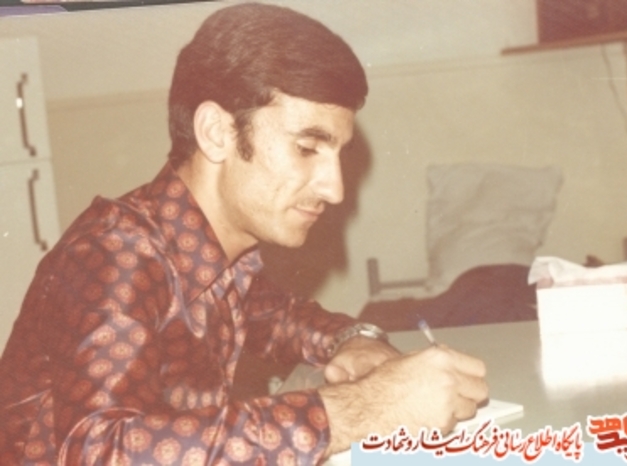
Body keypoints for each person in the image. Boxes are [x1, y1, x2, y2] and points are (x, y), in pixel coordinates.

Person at [0, 3, 488, 464]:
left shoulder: (213, 251)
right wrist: (363, 408)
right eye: (307, 148)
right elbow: (98, 451)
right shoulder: (116, 255)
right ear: (217, 132)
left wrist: (352, 340)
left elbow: (277, 316)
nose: (335, 189)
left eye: (338, 154)